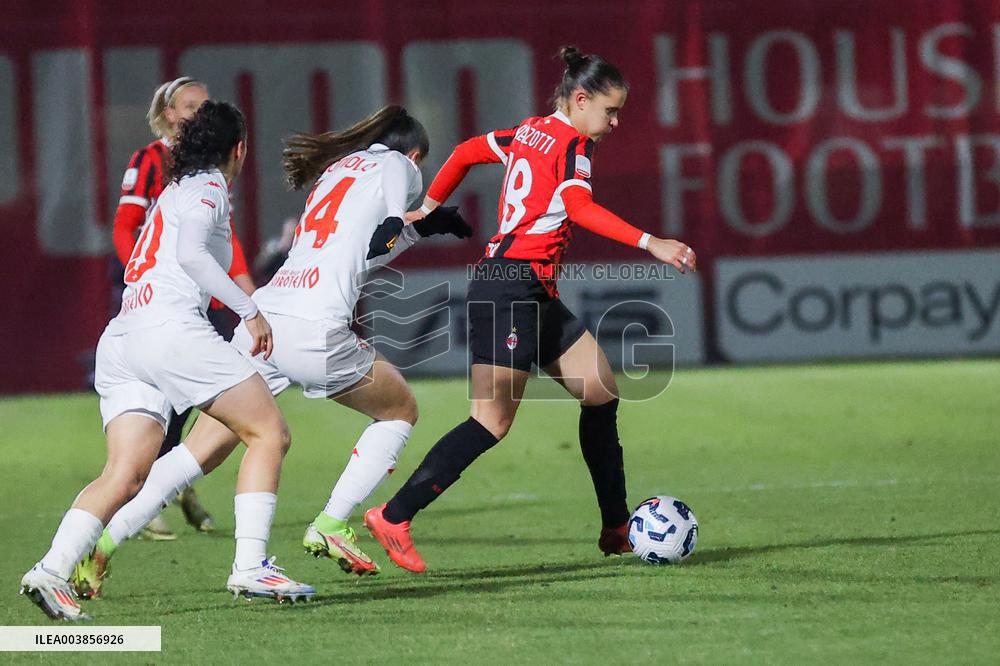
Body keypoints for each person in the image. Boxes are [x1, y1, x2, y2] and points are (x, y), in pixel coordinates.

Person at [70, 105, 472, 598]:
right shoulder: (398, 165)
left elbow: (361, 247)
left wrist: (414, 228)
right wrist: (403, 212)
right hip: (315, 330)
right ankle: (329, 523)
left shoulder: (335, 173)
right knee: (399, 411)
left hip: (270, 317)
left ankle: (106, 540)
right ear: (413, 152)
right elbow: (393, 179)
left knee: (196, 453)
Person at [363, 46, 698, 573]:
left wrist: (426, 208)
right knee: (491, 421)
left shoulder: (528, 131)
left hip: (530, 290)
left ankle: (615, 528)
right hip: (508, 288)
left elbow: (469, 150)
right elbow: (581, 207)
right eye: (610, 111)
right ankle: (394, 515)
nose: (615, 121)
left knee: (600, 389)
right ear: (581, 99)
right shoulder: (573, 147)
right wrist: (650, 241)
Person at [20, 101, 314, 621]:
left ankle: (50, 570)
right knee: (269, 433)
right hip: (170, 331)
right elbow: (192, 257)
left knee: (126, 473)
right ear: (239, 149)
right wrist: (250, 312)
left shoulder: (174, 190)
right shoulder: (209, 187)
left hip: (125, 335)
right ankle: (250, 566)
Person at [112, 76, 256, 539]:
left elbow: (223, 238)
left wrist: (246, 293)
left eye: (204, 105)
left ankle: (172, 484)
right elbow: (125, 225)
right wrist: (140, 274)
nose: (197, 111)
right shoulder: (152, 160)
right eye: (188, 105)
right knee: (183, 403)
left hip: (202, 293)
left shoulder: (204, 170)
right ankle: (156, 490)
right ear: (168, 114)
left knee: (194, 403)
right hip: (165, 296)